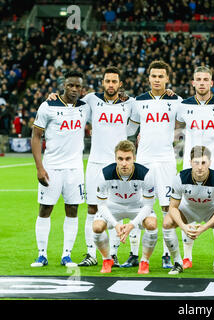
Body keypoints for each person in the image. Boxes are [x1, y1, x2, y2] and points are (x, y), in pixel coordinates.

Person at [47, 67, 139, 268]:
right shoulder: (91, 99)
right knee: (91, 208)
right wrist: (53, 97)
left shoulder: (130, 103)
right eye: (107, 81)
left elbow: (135, 125)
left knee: (116, 208)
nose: (111, 85)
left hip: (118, 165)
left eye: (115, 81)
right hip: (96, 163)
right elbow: (70, 103)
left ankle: (113, 254)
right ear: (103, 82)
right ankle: (91, 253)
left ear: (120, 84)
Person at [175, 66, 214, 270]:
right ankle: (187, 256)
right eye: (198, 79)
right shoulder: (183, 105)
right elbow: (176, 126)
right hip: (189, 165)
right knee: (185, 207)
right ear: (193, 83)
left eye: (205, 79)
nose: (201, 82)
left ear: (211, 82)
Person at [128, 60, 183, 269]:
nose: (157, 80)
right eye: (154, 76)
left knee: (168, 207)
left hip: (167, 159)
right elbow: (130, 129)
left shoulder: (176, 101)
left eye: (161, 76)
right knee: (140, 206)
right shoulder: (138, 102)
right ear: (148, 78)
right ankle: (135, 254)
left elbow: (191, 116)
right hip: (143, 160)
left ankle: (167, 254)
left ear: (167, 78)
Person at [30, 70, 86, 268]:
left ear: (82, 88)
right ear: (64, 85)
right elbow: (36, 136)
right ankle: (42, 254)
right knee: (45, 209)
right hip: (52, 168)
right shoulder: (48, 105)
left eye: (77, 86)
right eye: (70, 85)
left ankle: (66, 255)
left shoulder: (85, 107)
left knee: (72, 209)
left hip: (75, 169)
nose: (74, 89)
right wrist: (39, 167)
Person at [92, 140, 158, 274]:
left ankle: (144, 261)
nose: (124, 163)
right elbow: (102, 205)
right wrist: (116, 225)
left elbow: (148, 205)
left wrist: (132, 225)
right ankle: (107, 259)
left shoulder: (146, 174)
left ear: (134, 158)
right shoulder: (104, 174)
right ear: (115, 158)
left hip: (137, 206)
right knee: (97, 227)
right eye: (120, 159)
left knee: (152, 225)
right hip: (113, 206)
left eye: (128, 159)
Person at [163, 146, 214, 276]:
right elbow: (173, 207)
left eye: (203, 163)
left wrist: (203, 228)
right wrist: (183, 226)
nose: (200, 167)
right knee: (167, 223)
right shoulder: (180, 177)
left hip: (210, 210)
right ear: (190, 162)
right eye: (196, 163)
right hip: (188, 209)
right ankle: (177, 263)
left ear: (209, 163)